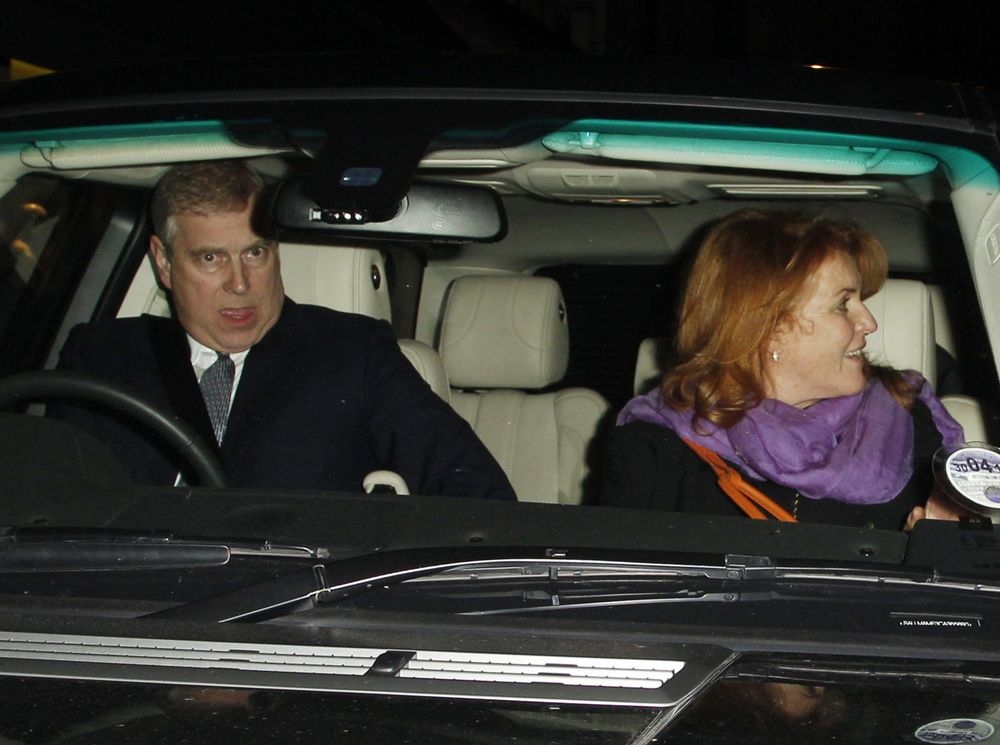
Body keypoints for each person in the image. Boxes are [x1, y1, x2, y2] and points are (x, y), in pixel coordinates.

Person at [52, 160, 516, 501]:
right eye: (210, 258)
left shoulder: (351, 353)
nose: (240, 284)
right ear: (163, 262)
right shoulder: (102, 355)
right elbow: (43, 496)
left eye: (255, 253)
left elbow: (476, 490)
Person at [598, 209, 964, 529]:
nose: (869, 322)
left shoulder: (908, 420)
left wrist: (929, 549)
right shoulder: (654, 448)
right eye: (843, 304)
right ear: (769, 328)